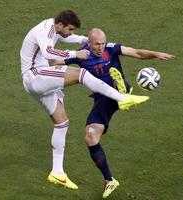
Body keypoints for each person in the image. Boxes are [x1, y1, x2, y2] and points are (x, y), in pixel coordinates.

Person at [20, 11, 150, 190]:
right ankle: (122, 97)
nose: (70, 33)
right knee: (81, 74)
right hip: (35, 75)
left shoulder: (55, 29)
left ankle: (57, 172)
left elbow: (68, 38)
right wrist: (76, 54)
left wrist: (84, 40)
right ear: (59, 25)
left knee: (62, 123)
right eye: (69, 29)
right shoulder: (46, 30)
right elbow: (48, 52)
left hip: (41, 81)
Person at [51, 28, 175, 198]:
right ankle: (109, 180)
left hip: (114, 92)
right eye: (97, 44)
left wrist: (155, 54)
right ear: (89, 42)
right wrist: (42, 64)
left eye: (102, 43)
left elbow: (136, 53)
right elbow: (55, 62)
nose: (101, 47)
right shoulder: (81, 54)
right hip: (102, 99)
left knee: (115, 88)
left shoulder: (111, 48)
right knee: (90, 136)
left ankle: (121, 92)